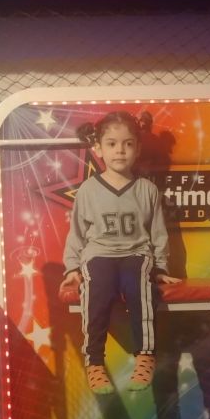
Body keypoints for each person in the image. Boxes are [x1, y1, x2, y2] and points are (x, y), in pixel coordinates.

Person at [60, 111, 180, 394]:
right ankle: (94, 362)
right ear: (98, 148)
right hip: (99, 255)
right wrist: (72, 268)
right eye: (112, 144)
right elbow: (77, 232)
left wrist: (160, 268)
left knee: (139, 286)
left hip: (135, 254)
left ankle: (145, 355)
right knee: (96, 289)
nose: (120, 150)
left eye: (127, 144)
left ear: (137, 149)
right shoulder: (88, 190)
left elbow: (158, 233)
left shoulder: (147, 190)